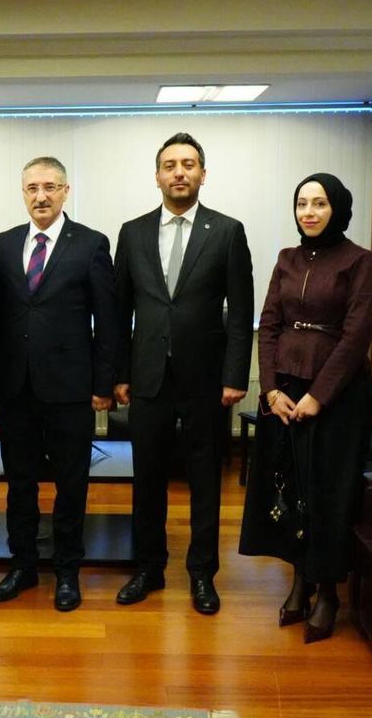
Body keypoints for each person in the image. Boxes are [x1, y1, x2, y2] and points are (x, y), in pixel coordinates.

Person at [113, 132, 253, 615]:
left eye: (188, 164)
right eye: (170, 165)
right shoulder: (132, 232)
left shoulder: (227, 232)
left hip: (206, 379)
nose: (179, 172)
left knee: (205, 479)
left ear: (202, 174)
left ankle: (202, 574)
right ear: (157, 176)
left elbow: (241, 312)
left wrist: (236, 375)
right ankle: (148, 568)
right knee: (147, 478)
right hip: (147, 376)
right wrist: (118, 373)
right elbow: (119, 310)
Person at [239, 173, 372, 643]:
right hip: (285, 393)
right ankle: (300, 581)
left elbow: (356, 336)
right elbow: (268, 325)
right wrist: (270, 391)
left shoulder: (359, 261)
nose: (309, 212)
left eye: (319, 203)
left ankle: (329, 593)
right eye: (302, 203)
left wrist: (318, 396)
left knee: (327, 494)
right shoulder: (287, 259)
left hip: (336, 398)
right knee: (290, 488)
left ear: (337, 208)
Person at [0, 156, 116, 611]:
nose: (40, 196)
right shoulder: (6, 243)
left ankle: (67, 571)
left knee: (71, 484)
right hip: (16, 389)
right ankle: (22, 565)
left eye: (49, 187)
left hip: (71, 389)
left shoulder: (92, 243)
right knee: (19, 483)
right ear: (23, 193)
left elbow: (108, 319)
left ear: (65, 191)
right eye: (32, 188)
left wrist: (103, 383)